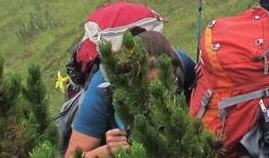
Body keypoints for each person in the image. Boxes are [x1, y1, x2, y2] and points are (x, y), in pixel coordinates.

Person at [65, 30, 196, 157]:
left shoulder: (182, 65)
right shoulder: (101, 89)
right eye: (145, 87)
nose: (153, 96)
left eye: (161, 86)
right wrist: (106, 151)